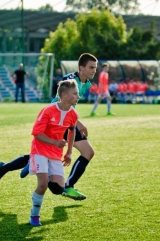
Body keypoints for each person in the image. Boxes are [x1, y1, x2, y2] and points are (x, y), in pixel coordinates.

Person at [0, 53, 98, 200]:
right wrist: (78, 122)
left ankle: (68, 186)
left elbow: (71, 106)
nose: (94, 71)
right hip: (55, 121)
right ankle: (67, 186)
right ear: (81, 67)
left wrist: (75, 121)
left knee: (87, 152)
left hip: (67, 121)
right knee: (44, 155)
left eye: (95, 68)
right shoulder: (70, 81)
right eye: (91, 67)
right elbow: (60, 104)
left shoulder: (87, 84)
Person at [29, 79, 79, 226]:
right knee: (43, 184)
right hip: (40, 149)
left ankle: (31, 165)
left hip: (55, 153)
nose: (78, 96)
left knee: (58, 189)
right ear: (64, 95)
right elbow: (37, 133)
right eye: (75, 94)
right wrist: (55, 142)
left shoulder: (73, 114)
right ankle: (34, 215)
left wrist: (69, 152)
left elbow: (72, 132)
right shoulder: (48, 110)